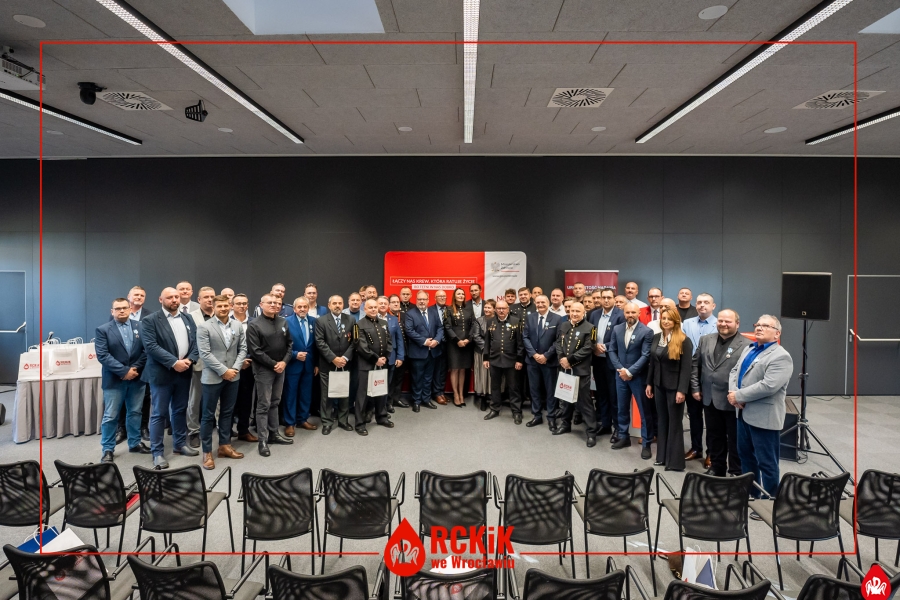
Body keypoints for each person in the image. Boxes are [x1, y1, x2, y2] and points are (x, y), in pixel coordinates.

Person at [729, 315, 793, 502]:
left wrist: (739, 396)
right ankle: (752, 495)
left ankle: (770, 501)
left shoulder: (781, 356)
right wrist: (733, 393)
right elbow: (734, 371)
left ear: (777, 334)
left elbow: (769, 386)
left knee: (767, 463)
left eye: (765, 326)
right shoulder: (749, 348)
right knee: (746, 457)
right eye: (757, 324)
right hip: (742, 413)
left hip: (764, 417)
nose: (759, 328)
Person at [141, 287, 200, 469]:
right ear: (161, 300)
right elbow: (150, 346)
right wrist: (174, 362)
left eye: (176, 297)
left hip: (184, 372)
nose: (174, 300)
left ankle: (180, 444)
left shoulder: (187, 318)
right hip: (162, 374)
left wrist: (190, 359)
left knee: (180, 410)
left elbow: (195, 342)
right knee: (159, 413)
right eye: (170, 297)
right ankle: (157, 452)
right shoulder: (150, 320)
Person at [691, 309, 750, 477]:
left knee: (734, 438)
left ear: (737, 324)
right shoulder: (705, 340)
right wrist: (695, 388)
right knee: (714, 435)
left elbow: (749, 374)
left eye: (728, 321)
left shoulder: (747, 345)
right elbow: (695, 365)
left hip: (733, 400)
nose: (723, 324)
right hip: (709, 397)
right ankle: (717, 468)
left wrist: (741, 395)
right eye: (721, 320)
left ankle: (735, 471)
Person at [196, 295, 247, 470]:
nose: (223, 309)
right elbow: (205, 353)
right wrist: (223, 371)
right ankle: (207, 452)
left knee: (227, 412)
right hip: (212, 377)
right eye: (220, 306)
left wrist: (235, 369)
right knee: (208, 415)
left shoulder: (237, 325)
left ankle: (225, 446)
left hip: (233, 376)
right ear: (214, 307)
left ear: (230, 306)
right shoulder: (204, 327)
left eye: (226, 306)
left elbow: (243, 349)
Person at [96, 298, 150, 463]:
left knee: (135, 412)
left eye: (124, 308)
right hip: (114, 379)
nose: (121, 311)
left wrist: (133, 369)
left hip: (137, 378)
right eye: (117, 308)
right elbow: (103, 355)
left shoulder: (140, 326)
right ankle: (108, 449)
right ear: (112, 311)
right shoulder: (103, 330)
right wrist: (124, 371)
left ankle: (134, 443)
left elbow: (146, 351)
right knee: (111, 416)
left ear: (130, 309)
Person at [246, 293, 294, 456]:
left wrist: (284, 362)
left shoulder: (283, 322)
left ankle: (274, 434)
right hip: (264, 369)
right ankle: (263, 440)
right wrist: (274, 364)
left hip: (281, 368)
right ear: (261, 304)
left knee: (275, 402)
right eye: (270, 302)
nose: (274, 305)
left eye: (277, 303)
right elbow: (255, 351)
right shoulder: (254, 325)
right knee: (263, 404)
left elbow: (290, 344)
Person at [645, 308, 693, 471]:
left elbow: (686, 368)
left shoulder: (684, 340)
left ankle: (675, 462)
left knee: (674, 423)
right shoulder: (657, 337)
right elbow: (653, 362)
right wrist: (649, 383)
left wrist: (682, 390)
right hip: (658, 385)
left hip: (675, 388)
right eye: (663, 318)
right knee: (662, 421)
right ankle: (662, 457)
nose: (665, 321)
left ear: (676, 321)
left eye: (669, 319)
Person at [608, 303, 655, 459]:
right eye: (627, 312)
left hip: (638, 377)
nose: (630, 315)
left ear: (638, 313)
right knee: (622, 408)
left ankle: (646, 443)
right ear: (624, 313)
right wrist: (621, 369)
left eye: (633, 312)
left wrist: (630, 372)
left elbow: (645, 355)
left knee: (644, 411)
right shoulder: (617, 329)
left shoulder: (647, 331)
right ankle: (624, 436)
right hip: (620, 376)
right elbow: (612, 350)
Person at [552, 302, 598, 447]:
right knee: (565, 399)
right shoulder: (564, 325)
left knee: (585, 402)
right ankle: (565, 424)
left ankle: (591, 432)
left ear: (584, 313)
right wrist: (561, 358)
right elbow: (558, 343)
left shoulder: (591, 328)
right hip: (565, 369)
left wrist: (570, 360)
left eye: (578, 311)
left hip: (580, 371)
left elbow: (589, 348)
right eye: (572, 311)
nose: (575, 313)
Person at [111, 285, 153, 444]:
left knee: (145, 398)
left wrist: (136, 366)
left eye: (142, 295)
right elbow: (112, 341)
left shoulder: (150, 316)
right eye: (136, 294)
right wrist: (124, 369)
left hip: (144, 365)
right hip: (122, 368)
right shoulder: (117, 313)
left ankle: (143, 427)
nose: (139, 297)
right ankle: (122, 429)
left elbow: (150, 343)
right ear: (129, 297)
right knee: (122, 399)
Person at [682, 293, 718, 466]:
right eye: (699, 302)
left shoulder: (719, 324)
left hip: (710, 375)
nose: (702, 305)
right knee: (694, 415)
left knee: (711, 419)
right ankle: (696, 448)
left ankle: (712, 452)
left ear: (713, 306)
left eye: (706, 302)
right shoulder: (687, 323)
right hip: (691, 374)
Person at [314, 295, 356, 435]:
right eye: (334, 303)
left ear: (343, 304)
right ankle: (327, 422)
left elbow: (355, 341)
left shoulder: (351, 319)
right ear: (329, 305)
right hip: (328, 364)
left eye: (340, 303)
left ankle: (343, 420)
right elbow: (320, 342)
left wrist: (344, 358)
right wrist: (333, 358)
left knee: (344, 393)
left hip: (345, 363)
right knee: (326, 395)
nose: (337, 305)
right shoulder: (321, 321)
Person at [353, 299, 394, 435]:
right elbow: (361, 347)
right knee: (362, 395)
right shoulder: (359, 325)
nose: (373, 309)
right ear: (365, 309)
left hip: (382, 363)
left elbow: (389, 342)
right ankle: (360, 423)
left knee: (381, 391)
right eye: (370, 307)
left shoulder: (383, 323)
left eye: (375, 307)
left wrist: (385, 357)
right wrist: (376, 359)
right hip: (366, 364)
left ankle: (381, 417)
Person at [589, 288, 624, 437]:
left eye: (609, 297)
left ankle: (618, 428)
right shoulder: (594, 314)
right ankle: (605, 424)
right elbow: (590, 334)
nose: (606, 300)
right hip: (597, 361)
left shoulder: (620, 315)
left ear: (614, 299)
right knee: (601, 395)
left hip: (612, 361)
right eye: (604, 297)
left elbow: (621, 338)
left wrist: (604, 347)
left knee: (614, 396)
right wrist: (594, 346)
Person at [522, 295, 561, 429]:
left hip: (549, 361)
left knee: (550, 391)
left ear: (548, 302)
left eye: (543, 302)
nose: (540, 305)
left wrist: (546, 356)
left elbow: (558, 340)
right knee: (534, 390)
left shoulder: (557, 318)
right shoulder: (530, 317)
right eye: (538, 302)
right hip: (532, 361)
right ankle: (537, 415)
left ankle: (551, 417)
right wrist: (534, 354)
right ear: (535, 303)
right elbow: (525, 337)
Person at [482, 300, 524, 423]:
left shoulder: (516, 321)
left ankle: (516, 411)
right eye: (499, 308)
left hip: (511, 360)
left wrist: (519, 360)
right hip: (495, 359)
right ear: (495, 310)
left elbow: (520, 343)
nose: (501, 311)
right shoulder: (490, 322)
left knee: (513, 387)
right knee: (495, 386)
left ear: (508, 309)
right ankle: (495, 409)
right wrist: (486, 358)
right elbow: (487, 342)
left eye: (503, 308)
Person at [283, 297, 318, 436]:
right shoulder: (286, 322)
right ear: (294, 308)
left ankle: (302, 419)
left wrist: (316, 364)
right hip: (293, 364)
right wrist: (294, 354)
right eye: (300, 307)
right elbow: (281, 344)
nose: (302, 309)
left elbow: (316, 345)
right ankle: (290, 423)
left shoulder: (314, 321)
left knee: (306, 394)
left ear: (308, 308)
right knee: (290, 395)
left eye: (305, 307)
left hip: (309, 365)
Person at [404, 291, 443, 412]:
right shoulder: (410, 314)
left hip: (432, 351)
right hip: (418, 352)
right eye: (419, 299)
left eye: (424, 299)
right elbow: (409, 331)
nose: (422, 301)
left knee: (428, 378)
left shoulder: (433, 312)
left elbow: (440, 327)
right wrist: (425, 341)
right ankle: (416, 401)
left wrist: (436, 340)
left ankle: (426, 399)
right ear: (416, 300)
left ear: (428, 300)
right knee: (417, 378)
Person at [187, 286, 216, 448]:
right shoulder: (191, 317)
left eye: (212, 296)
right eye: (206, 297)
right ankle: (193, 431)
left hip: (218, 365)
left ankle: (218, 426)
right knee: (194, 399)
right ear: (199, 300)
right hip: (198, 365)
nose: (210, 299)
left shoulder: (221, 314)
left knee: (217, 399)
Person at [231, 293, 257, 442]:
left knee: (246, 400)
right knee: (229, 402)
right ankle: (227, 432)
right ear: (232, 305)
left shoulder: (254, 322)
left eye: (244, 303)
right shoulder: (226, 321)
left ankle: (243, 430)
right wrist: (239, 362)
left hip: (249, 366)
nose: (242, 306)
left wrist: (248, 359)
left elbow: (258, 343)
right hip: (231, 367)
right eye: (238, 303)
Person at [444, 288, 474, 407]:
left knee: (463, 369)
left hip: (466, 344)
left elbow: (473, 325)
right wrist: (457, 340)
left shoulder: (469, 309)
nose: (461, 295)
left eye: (462, 294)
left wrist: (468, 339)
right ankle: (455, 395)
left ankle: (461, 394)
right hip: (454, 344)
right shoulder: (449, 309)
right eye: (458, 294)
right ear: (454, 296)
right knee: (455, 369)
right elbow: (447, 327)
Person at [378, 296, 405, 413]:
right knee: (376, 383)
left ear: (388, 306)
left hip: (391, 357)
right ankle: (373, 407)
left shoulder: (393, 319)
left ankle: (387, 404)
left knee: (388, 383)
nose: (383, 305)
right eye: (380, 303)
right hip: (376, 358)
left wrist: (400, 356)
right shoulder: (371, 318)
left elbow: (399, 339)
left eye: (385, 303)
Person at [470, 299, 496, 411]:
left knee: (494, 375)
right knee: (482, 375)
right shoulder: (479, 320)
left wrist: (494, 349)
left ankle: (493, 397)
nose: (486, 309)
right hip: (481, 353)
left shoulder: (498, 320)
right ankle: (482, 397)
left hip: (496, 353)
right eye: (485, 307)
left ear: (494, 309)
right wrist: (487, 349)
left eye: (489, 307)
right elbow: (476, 336)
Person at [387, 295, 410, 409]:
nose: (396, 304)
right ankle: (389, 401)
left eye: (397, 302)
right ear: (389, 304)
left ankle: (397, 398)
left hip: (404, 351)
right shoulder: (386, 317)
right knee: (390, 379)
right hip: (391, 353)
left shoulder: (405, 316)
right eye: (393, 302)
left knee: (400, 377)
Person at [431, 290, 450, 405]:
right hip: (435, 343)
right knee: (436, 369)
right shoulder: (430, 310)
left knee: (444, 369)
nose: (442, 298)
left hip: (448, 344)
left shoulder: (450, 309)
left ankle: (441, 392)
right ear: (435, 298)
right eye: (440, 296)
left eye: (444, 296)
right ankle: (436, 393)